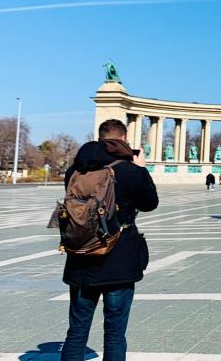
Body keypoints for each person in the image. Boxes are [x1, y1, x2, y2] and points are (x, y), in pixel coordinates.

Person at [60, 119, 158, 361]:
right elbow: (150, 204)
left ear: (99, 137)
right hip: (119, 259)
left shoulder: (75, 170)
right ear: (123, 139)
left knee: (77, 330)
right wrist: (142, 169)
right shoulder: (130, 171)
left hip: (81, 257)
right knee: (114, 333)